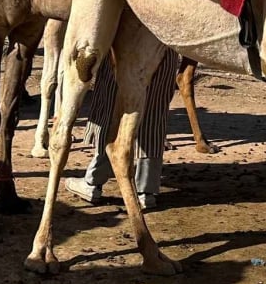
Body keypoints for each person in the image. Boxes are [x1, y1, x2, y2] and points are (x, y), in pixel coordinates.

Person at [65, 52, 180, 210]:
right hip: (164, 46)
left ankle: (93, 182)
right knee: (153, 110)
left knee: (113, 106)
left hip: (123, 47)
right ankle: (146, 192)